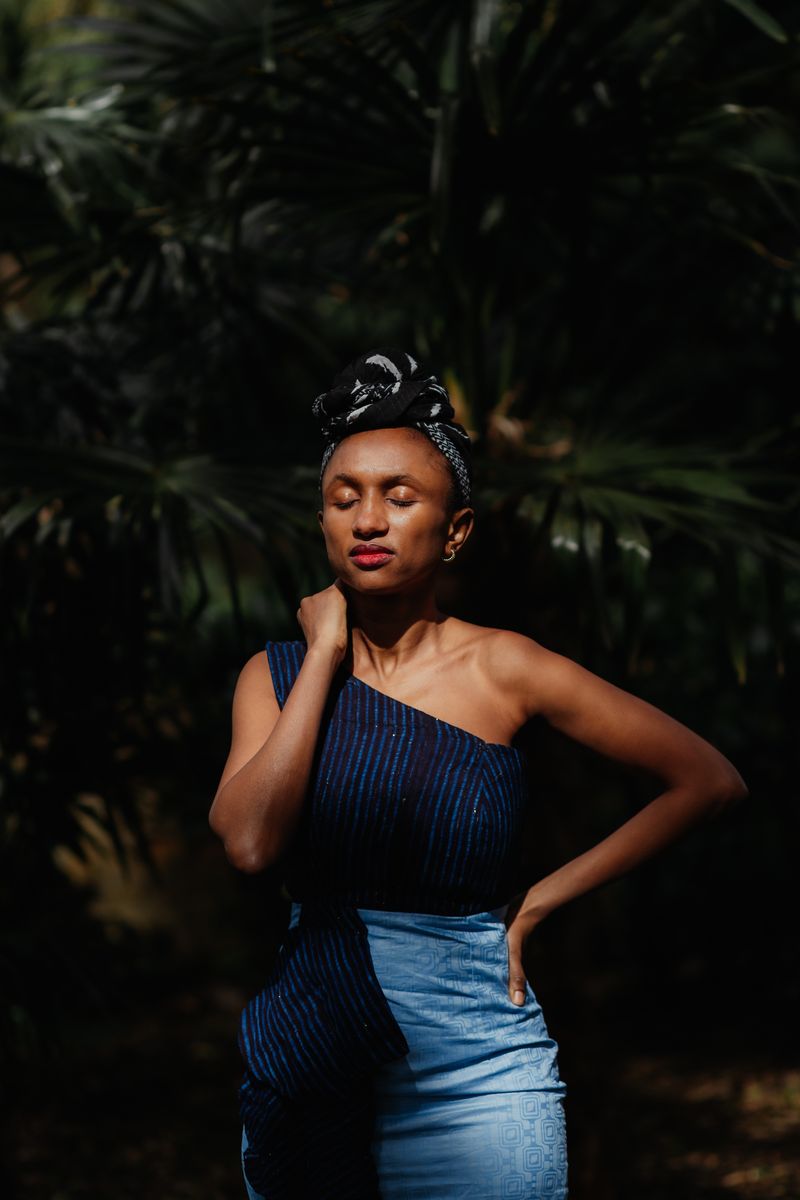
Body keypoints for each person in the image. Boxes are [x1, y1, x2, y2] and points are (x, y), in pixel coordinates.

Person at [208, 347, 748, 1199]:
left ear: (455, 530)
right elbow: (248, 842)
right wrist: (322, 656)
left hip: (478, 1069)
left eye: (400, 496)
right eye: (343, 498)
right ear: (321, 524)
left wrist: (539, 902)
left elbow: (706, 780)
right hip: (313, 1053)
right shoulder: (272, 676)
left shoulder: (506, 668)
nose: (368, 519)